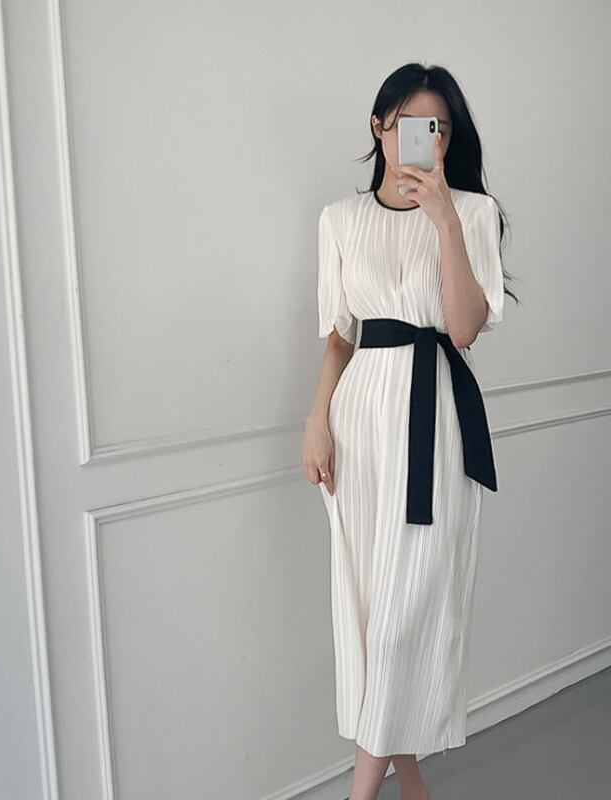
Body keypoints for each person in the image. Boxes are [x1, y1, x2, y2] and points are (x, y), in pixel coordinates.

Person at [300, 63, 519, 800]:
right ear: (379, 127)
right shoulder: (339, 219)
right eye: (407, 127)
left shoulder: (473, 215)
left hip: (434, 422)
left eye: (439, 129)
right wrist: (316, 421)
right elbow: (340, 336)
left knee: (404, 618)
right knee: (370, 615)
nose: (424, 142)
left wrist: (445, 221)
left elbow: (462, 328)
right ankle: (412, 781)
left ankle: (360, 794)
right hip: (359, 422)